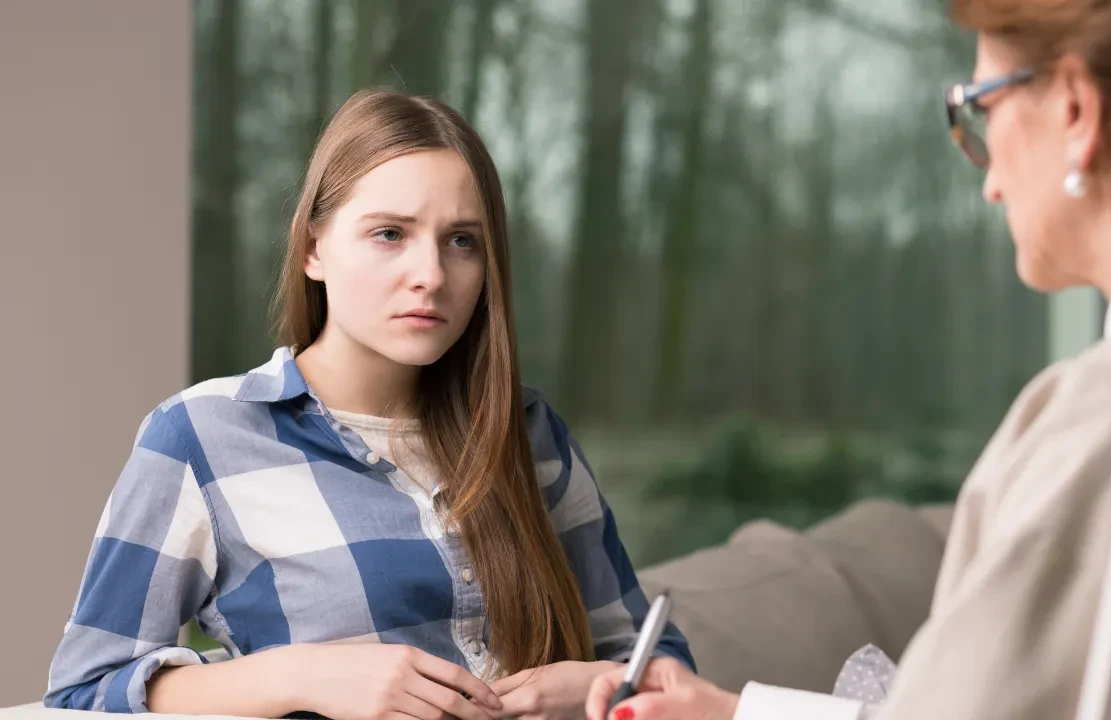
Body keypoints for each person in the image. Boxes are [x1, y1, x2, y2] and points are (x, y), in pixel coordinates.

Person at [586, 0, 1111, 718]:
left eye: (978, 107)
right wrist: (738, 713)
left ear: (1076, 111)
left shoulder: (1104, 425)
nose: (990, 182)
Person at [44, 88, 693, 720]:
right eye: (390, 233)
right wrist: (300, 676)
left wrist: (595, 688)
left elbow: (658, 665)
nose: (432, 274)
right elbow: (86, 686)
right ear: (313, 249)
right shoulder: (200, 437)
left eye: (462, 240)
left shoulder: (528, 433)